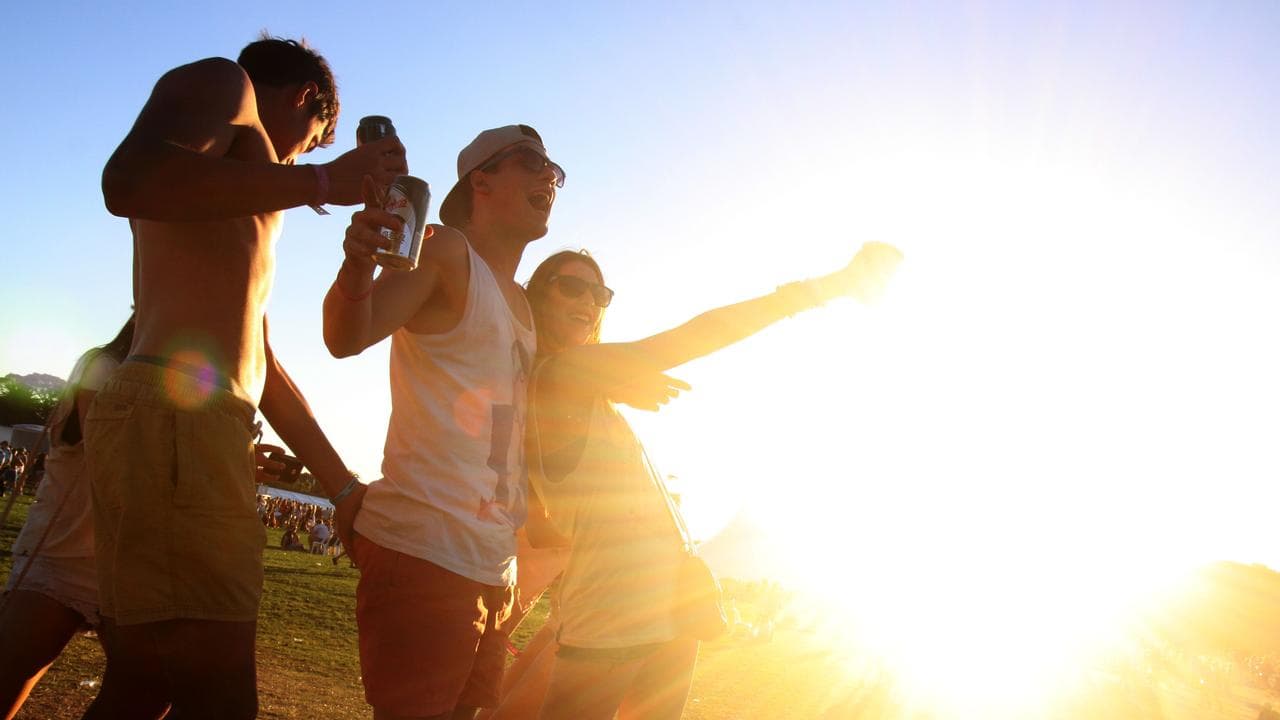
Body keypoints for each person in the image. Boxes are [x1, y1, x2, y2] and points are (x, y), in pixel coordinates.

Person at [81, 35, 406, 720]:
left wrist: (341, 486)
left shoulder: (248, 194)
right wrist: (320, 181)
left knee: (143, 682)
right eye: (311, 141)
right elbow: (126, 181)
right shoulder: (226, 84)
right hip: (179, 420)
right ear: (304, 101)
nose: (301, 161)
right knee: (218, 695)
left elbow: (259, 366)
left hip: (188, 420)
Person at [523, 244, 901, 720]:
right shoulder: (561, 374)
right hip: (613, 616)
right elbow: (691, 338)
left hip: (670, 605)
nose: (588, 302)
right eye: (571, 287)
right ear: (537, 298)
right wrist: (826, 288)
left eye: (599, 293)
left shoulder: (590, 392)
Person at [322, 124, 562, 720]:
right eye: (530, 163)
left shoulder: (523, 305)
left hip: (490, 562)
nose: (547, 178)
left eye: (554, 172)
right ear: (480, 181)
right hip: (429, 549)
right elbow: (346, 336)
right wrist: (356, 265)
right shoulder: (445, 251)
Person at [0, 316, 133, 720]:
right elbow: (107, 451)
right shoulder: (104, 367)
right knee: (11, 675)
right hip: (63, 553)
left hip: (125, 566)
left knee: (147, 689)